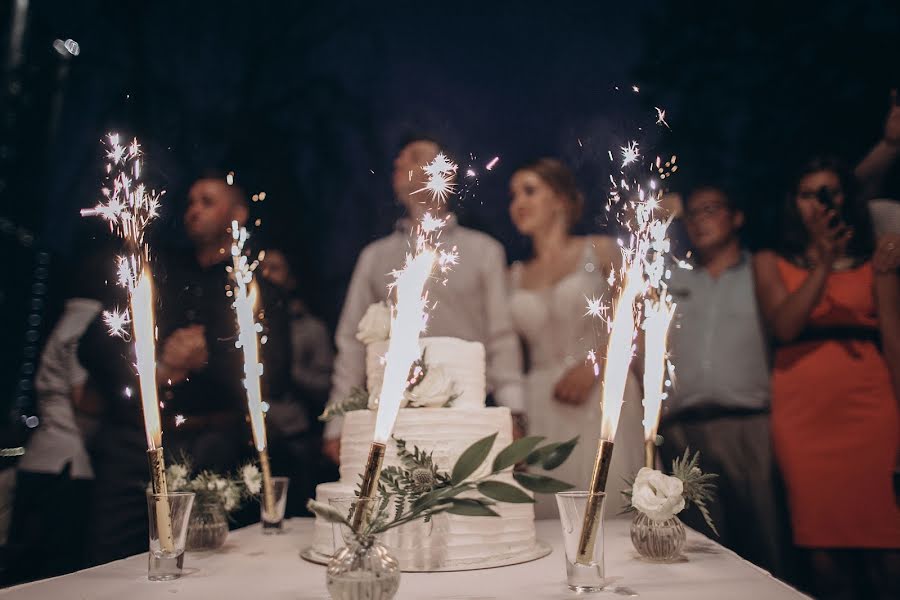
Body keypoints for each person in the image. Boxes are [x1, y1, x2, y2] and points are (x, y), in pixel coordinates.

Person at [79, 174, 290, 565]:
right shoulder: (154, 274)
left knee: (211, 564)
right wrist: (159, 367)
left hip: (214, 446)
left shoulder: (259, 292)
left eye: (208, 201)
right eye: (190, 201)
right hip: (133, 444)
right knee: (109, 559)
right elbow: (95, 345)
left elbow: (274, 374)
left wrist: (210, 356)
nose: (193, 209)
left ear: (238, 214)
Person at [323, 137, 526, 462]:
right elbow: (351, 342)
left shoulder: (484, 251)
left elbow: (501, 337)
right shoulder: (375, 257)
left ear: (445, 173)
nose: (401, 163)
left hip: (468, 416)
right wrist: (337, 421)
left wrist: (512, 412)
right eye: (399, 160)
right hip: (392, 418)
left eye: (415, 157)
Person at [753, 158, 900, 599]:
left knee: (889, 553)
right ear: (792, 203)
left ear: (846, 198)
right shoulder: (770, 260)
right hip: (804, 418)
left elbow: (894, 340)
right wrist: (823, 263)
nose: (820, 204)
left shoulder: (878, 259)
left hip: (872, 410)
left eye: (830, 192)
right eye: (808, 194)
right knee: (824, 558)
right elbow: (784, 326)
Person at [658, 185, 790, 577]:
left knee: (768, 541)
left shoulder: (761, 272)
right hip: (685, 430)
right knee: (703, 550)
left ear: (737, 217)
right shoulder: (674, 278)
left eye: (710, 209)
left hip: (750, 424)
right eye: (692, 214)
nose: (700, 221)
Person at [507, 158, 643, 518]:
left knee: (607, 509)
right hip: (540, 401)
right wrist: (515, 415)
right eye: (513, 195)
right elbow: (507, 355)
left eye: (530, 190)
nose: (517, 202)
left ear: (561, 199)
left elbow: (639, 321)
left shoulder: (600, 250)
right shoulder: (513, 275)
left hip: (601, 390)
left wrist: (597, 364)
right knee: (549, 517)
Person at [2, 242, 111, 583]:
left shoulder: (66, 316)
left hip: (41, 457)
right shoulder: (89, 322)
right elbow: (84, 398)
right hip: (65, 467)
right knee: (56, 574)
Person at [259, 248, 335, 515]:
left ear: (291, 279)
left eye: (275, 268)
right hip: (248, 433)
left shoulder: (310, 328)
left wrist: (288, 370)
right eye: (261, 267)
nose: (265, 275)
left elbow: (325, 383)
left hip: (292, 433)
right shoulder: (241, 322)